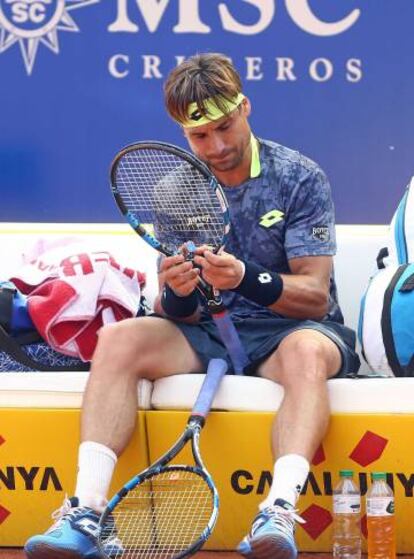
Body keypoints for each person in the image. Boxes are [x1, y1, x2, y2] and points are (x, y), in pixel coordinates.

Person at [24, 52, 360, 559]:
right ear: (183, 133)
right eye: (201, 136)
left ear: (245, 107)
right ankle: (86, 514)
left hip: (290, 330)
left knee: (306, 355)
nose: (218, 146)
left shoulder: (299, 177)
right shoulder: (174, 187)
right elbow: (177, 311)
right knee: (118, 338)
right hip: (207, 330)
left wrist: (248, 278)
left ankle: (279, 512)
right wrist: (178, 290)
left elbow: (313, 295)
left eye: (226, 127)